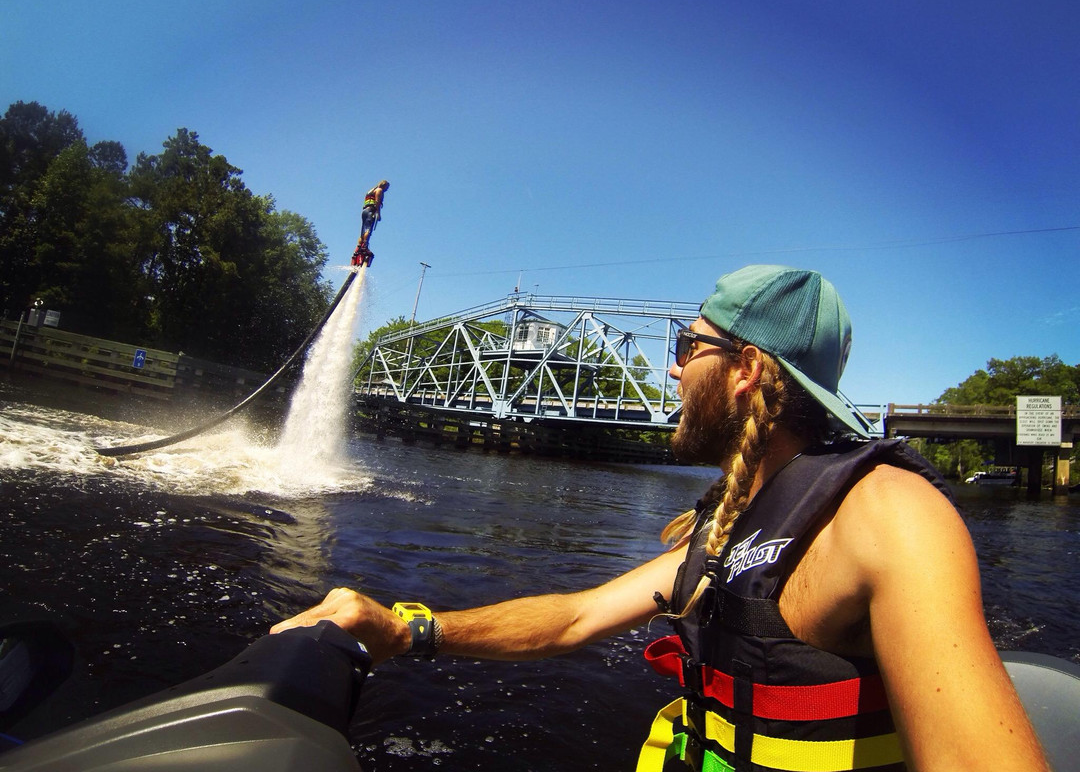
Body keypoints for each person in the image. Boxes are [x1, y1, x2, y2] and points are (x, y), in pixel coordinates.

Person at [271, 265, 1048, 771]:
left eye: (688, 346)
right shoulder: (728, 530)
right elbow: (573, 619)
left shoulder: (891, 515)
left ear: (746, 370)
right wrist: (407, 629)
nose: (671, 367)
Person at [351, 180, 389, 267]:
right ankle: (364, 246)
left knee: (362, 231)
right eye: (387, 187)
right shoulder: (379, 190)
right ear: (384, 185)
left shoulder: (371, 190)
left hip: (364, 211)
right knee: (368, 229)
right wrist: (378, 213)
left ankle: (358, 247)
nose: (387, 189)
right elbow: (377, 202)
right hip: (371, 211)